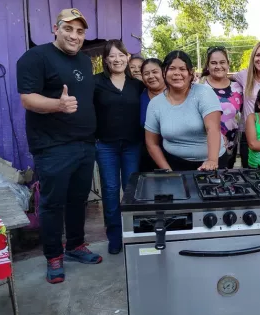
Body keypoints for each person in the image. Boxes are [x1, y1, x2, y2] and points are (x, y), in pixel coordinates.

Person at [16, 8, 102, 284]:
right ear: (55, 29)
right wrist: (58, 105)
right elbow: (28, 99)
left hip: (85, 144)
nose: (74, 36)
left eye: (80, 31)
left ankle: (76, 246)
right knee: (52, 204)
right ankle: (54, 255)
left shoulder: (85, 61)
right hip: (53, 147)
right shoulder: (35, 57)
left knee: (79, 200)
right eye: (68, 29)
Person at [93, 40, 145, 255]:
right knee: (111, 191)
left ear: (127, 57)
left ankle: (133, 235)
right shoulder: (96, 82)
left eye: (121, 55)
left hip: (133, 145)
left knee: (132, 191)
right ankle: (114, 237)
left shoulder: (137, 84)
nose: (117, 59)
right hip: (106, 146)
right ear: (105, 60)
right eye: (112, 56)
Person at [144, 50, 227, 171]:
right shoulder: (155, 104)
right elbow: (152, 143)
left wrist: (212, 161)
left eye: (182, 69)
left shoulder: (204, 93)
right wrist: (167, 171)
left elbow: (213, 129)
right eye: (172, 68)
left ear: (190, 73)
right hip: (174, 162)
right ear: (164, 72)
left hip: (210, 162)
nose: (177, 73)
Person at [202, 46, 244, 169]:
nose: (218, 66)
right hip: (207, 147)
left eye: (222, 62)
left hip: (231, 147)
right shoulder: (199, 87)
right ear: (208, 66)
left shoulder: (238, 88)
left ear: (228, 64)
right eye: (213, 63)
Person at [139, 58, 166, 172]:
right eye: (146, 73)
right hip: (146, 155)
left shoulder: (177, 93)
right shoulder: (139, 95)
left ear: (164, 73)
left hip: (174, 154)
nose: (151, 76)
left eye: (155, 72)